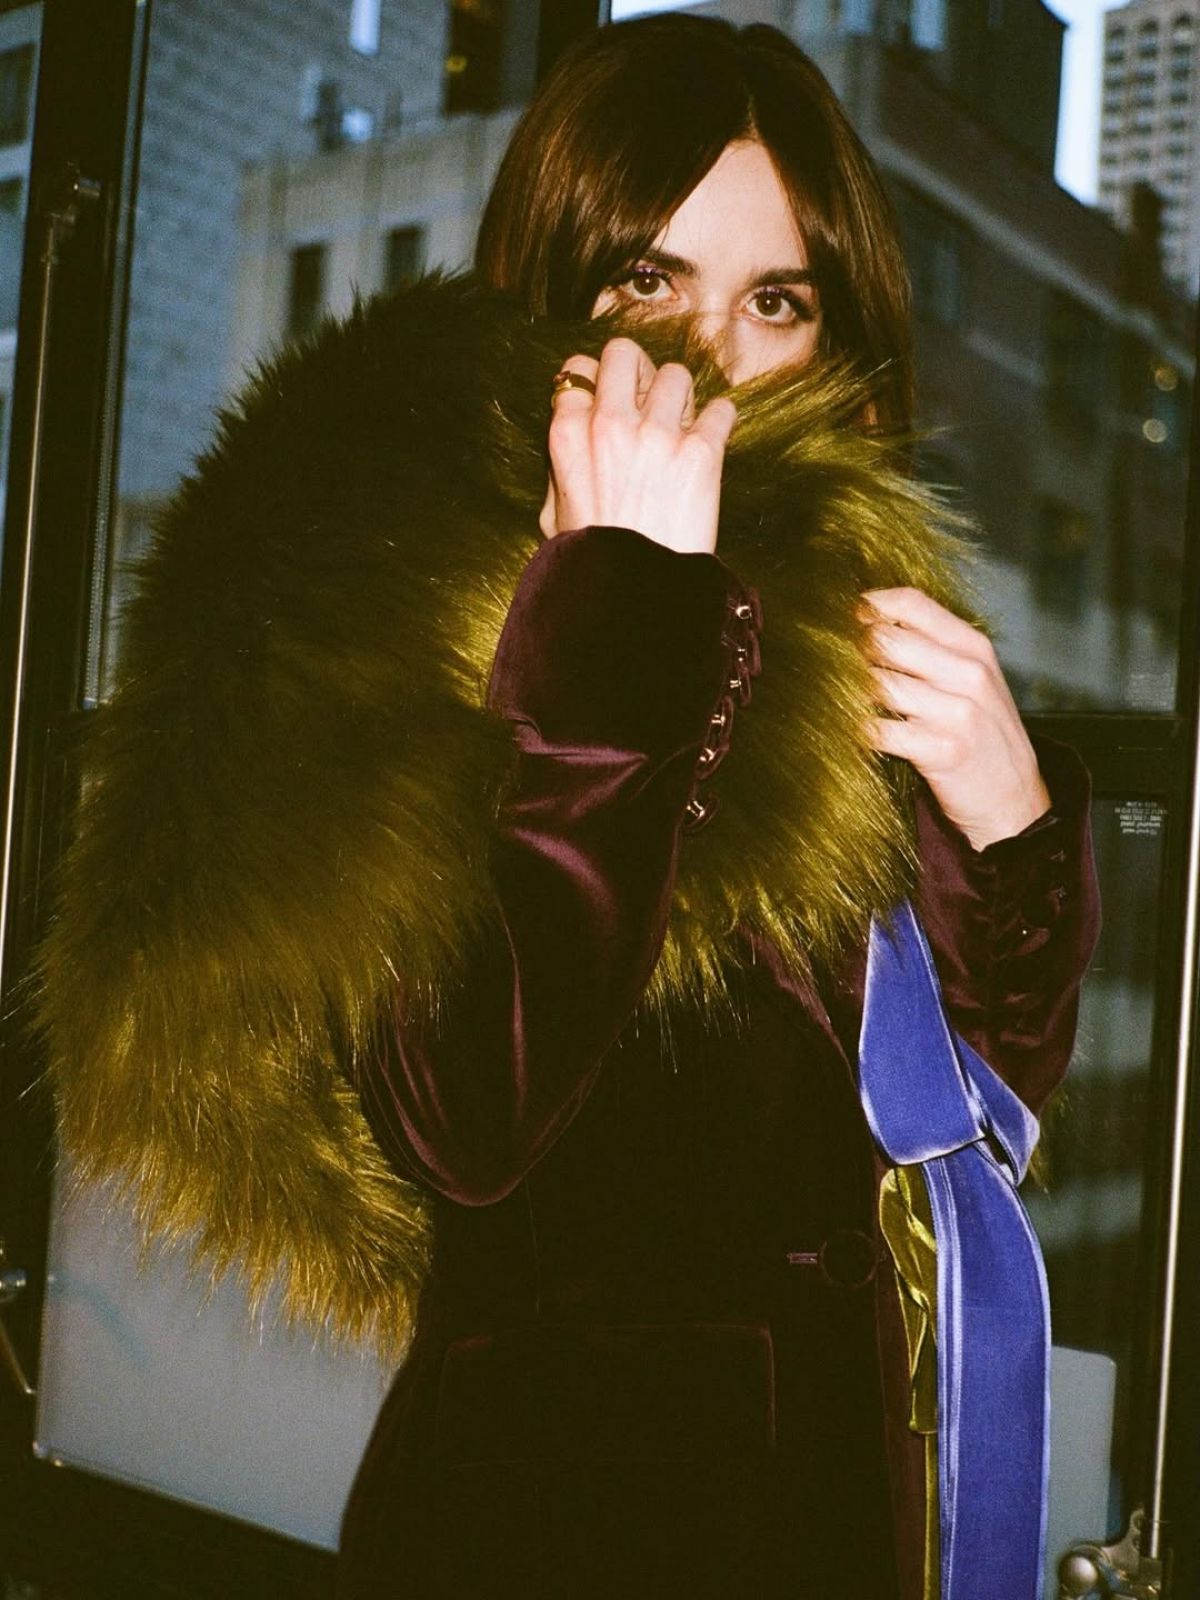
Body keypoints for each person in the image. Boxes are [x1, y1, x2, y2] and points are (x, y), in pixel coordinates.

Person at [36, 14, 1099, 1600]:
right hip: (550, 1503)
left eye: (777, 301)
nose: (713, 355)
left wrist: (1009, 820)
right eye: (648, 283)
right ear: (553, 292)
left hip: (835, 1486)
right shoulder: (401, 586)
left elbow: (965, 1112)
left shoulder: (829, 605)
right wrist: (616, 614)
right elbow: (461, 1118)